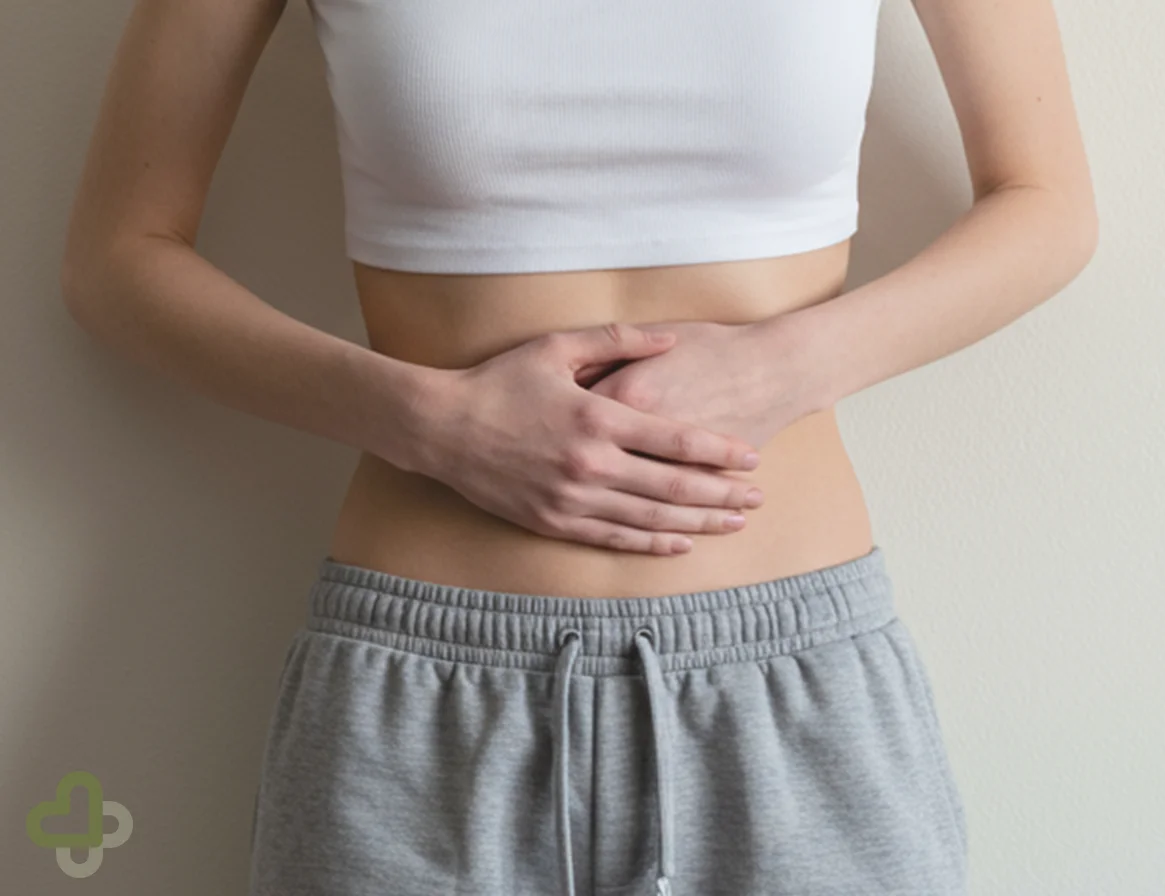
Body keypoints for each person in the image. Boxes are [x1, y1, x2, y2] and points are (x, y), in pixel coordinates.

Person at [60, 0, 1097, 892]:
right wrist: (429, 422)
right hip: (423, 702)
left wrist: (787, 365)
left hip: (791, 693)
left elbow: (1045, 201)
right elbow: (118, 257)